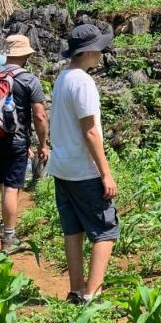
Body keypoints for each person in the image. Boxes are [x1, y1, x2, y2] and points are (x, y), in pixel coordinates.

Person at [49, 24, 119, 304]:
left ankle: (76, 291)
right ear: (89, 51)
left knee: (73, 229)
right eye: (99, 49)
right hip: (83, 169)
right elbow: (90, 131)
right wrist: (106, 173)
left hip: (62, 167)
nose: (102, 53)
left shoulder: (63, 78)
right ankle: (93, 294)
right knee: (105, 231)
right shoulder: (84, 83)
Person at [0, 34, 49, 252]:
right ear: (25, 56)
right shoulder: (29, 79)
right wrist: (43, 144)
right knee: (12, 189)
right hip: (16, 141)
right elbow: (40, 116)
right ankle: (9, 238)